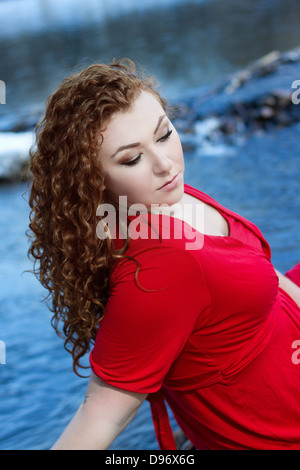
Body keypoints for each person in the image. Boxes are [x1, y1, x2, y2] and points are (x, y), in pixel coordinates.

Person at [27, 58, 300, 450]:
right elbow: (100, 415)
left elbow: (261, 277)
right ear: (94, 181)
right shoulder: (159, 268)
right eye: (132, 159)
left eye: (164, 133)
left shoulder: (163, 197)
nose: (165, 163)